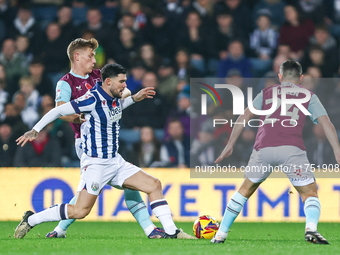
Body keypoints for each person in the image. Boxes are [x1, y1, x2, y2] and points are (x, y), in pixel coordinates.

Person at [14, 63, 195, 240]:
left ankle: (172, 233)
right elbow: (58, 111)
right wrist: (35, 130)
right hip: (96, 164)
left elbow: (115, 107)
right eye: (122, 82)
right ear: (108, 82)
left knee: (154, 185)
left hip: (115, 162)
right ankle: (31, 219)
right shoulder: (91, 99)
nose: (125, 85)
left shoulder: (114, 97)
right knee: (80, 210)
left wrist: (134, 98)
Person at [44, 38, 164, 239]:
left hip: (107, 137)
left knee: (117, 184)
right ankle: (50, 225)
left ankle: (59, 229)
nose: (94, 59)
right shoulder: (66, 82)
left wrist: (125, 93)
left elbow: (121, 90)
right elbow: (60, 110)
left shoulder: (99, 76)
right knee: (90, 191)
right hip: (85, 141)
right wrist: (80, 116)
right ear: (77, 57)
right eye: (90, 55)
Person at [211, 60, 340, 245]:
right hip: (291, 148)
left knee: (245, 190)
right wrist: (337, 150)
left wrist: (229, 144)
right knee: (309, 193)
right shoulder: (308, 95)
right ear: (301, 78)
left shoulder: (266, 92)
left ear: (280, 77)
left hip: (263, 147)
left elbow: (244, 116)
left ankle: (220, 234)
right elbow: (327, 123)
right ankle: (311, 229)